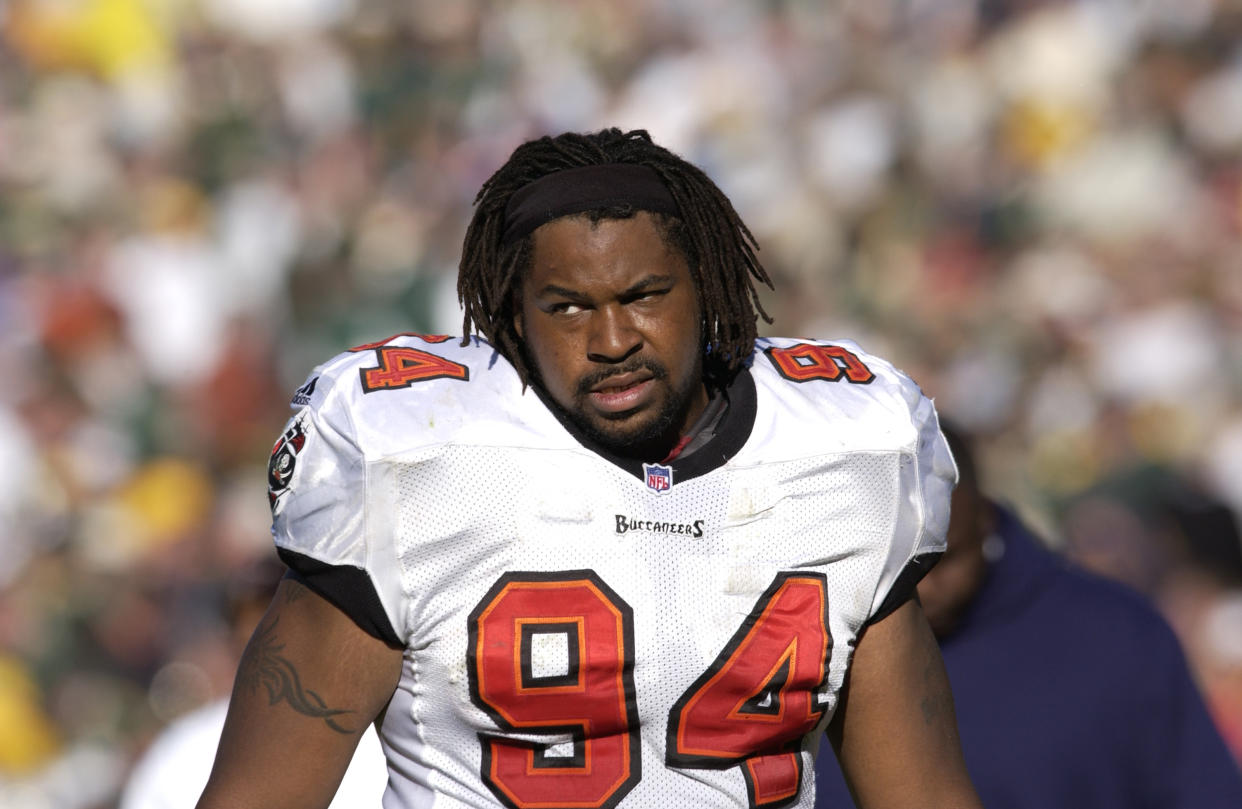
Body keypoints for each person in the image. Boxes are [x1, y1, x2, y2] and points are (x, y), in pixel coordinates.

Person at [196, 128, 981, 809]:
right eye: (568, 306)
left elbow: (925, 795)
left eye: (644, 294)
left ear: (708, 286)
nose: (612, 339)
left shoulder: (845, 455)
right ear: (509, 313)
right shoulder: (413, 462)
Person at [813, 423, 1242, 809]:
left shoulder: (1118, 632)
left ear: (983, 518)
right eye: (890, 566)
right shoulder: (806, 652)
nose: (919, 589)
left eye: (938, 561)